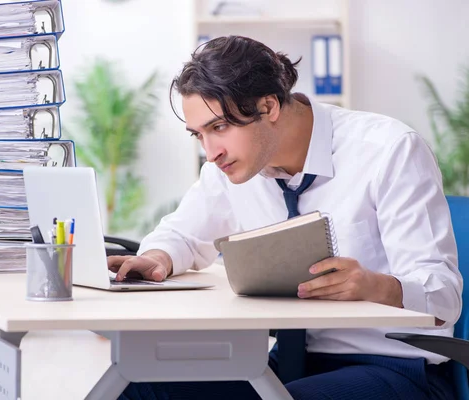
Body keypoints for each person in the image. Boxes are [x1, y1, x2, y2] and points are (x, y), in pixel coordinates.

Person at [108, 35, 461, 400]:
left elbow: (444, 298)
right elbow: (182, 235)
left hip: (395, 369)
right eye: (199, 135)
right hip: (286, 365)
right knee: (140, 389)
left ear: (269, 106)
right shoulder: (231, 168)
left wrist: (376, 286)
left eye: (219, 127)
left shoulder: (389, 150)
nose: (210, 152)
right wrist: (154, 259)